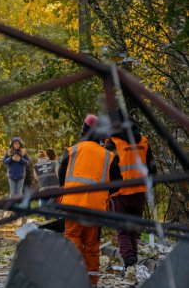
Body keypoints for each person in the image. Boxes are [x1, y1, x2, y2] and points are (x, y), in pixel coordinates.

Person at [58, 115, 122, 287]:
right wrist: (104, 194)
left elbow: (61, 178)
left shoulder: (72, 151)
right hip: (96, 208)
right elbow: (118, 182)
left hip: (73, 204)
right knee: (92, 244)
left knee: (72, 237)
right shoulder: (108, 156)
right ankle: (92, 281)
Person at [105, 117, 157, 269]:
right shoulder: (143, 141)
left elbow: (107, 168)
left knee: (122, 229)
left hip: (121, 191)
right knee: (134, 227)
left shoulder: (113, 142)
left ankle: (129, 259)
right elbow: (152, 167)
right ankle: (133, 259)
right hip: (140, 191)